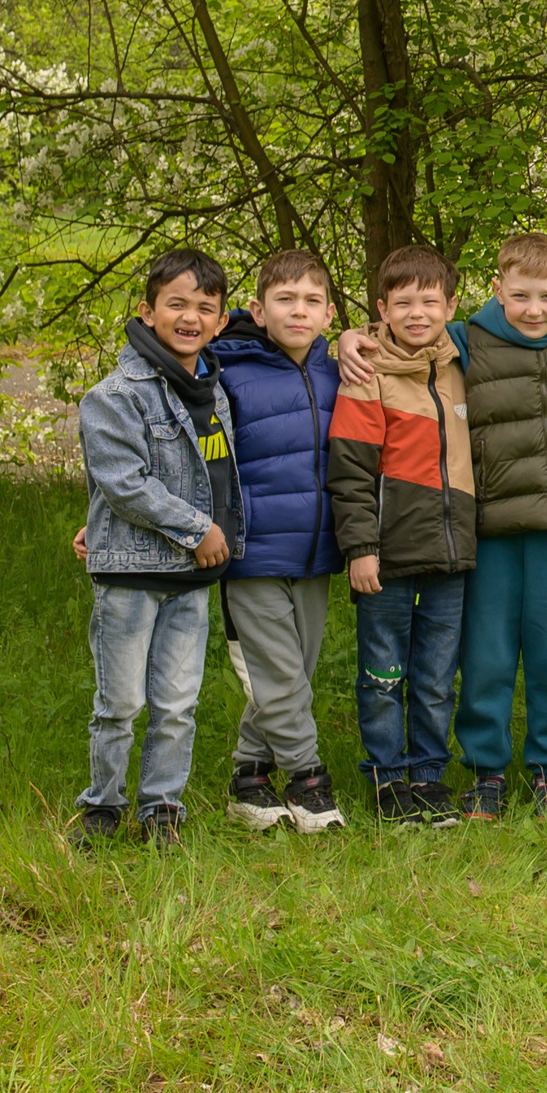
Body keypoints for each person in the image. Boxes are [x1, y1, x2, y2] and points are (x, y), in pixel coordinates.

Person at [68, 249, 242, 850]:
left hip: (190, 580)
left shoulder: (212, 391)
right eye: (177, 304)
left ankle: (162, 807)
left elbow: (212, 476)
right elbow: (124, 482)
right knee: (119, 703)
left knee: (176, 704)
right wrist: (199, 530)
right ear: (147, 312)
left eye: (205, 308)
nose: (191, 317)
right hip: (133, 576)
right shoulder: (116, 395)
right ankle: (102, 806)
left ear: (221, 321)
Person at [450, 232, 547, 821]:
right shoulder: (465, 340)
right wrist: (355, 338)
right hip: (490, 533)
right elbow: (401, 341)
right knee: (485, 657)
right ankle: (485, 770)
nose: (534, 310)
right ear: (497, 289)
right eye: (520, 296)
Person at [328, 245, 476, 828]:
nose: (418, 314)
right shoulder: (366, 373)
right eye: (404, 303)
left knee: (436, 676)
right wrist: (360, 550)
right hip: (385, 557)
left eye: (430, 302)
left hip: (450, 554)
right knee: (383, 674)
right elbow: (350, 470)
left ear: (451, 307)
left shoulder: (461, 362)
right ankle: (388, 778)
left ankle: (429, 776)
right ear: (382, 309)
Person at [210, 250, 346, 834]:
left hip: (316, 552)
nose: (298, 311)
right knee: (281, 675)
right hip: (251, 552)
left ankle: (249, 777)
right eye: (285, 299)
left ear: (330, 314)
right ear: (258, 311)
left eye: (312, 301)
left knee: (291, 673)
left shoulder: (339, 373)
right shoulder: (226, 372)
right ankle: (307, 780)